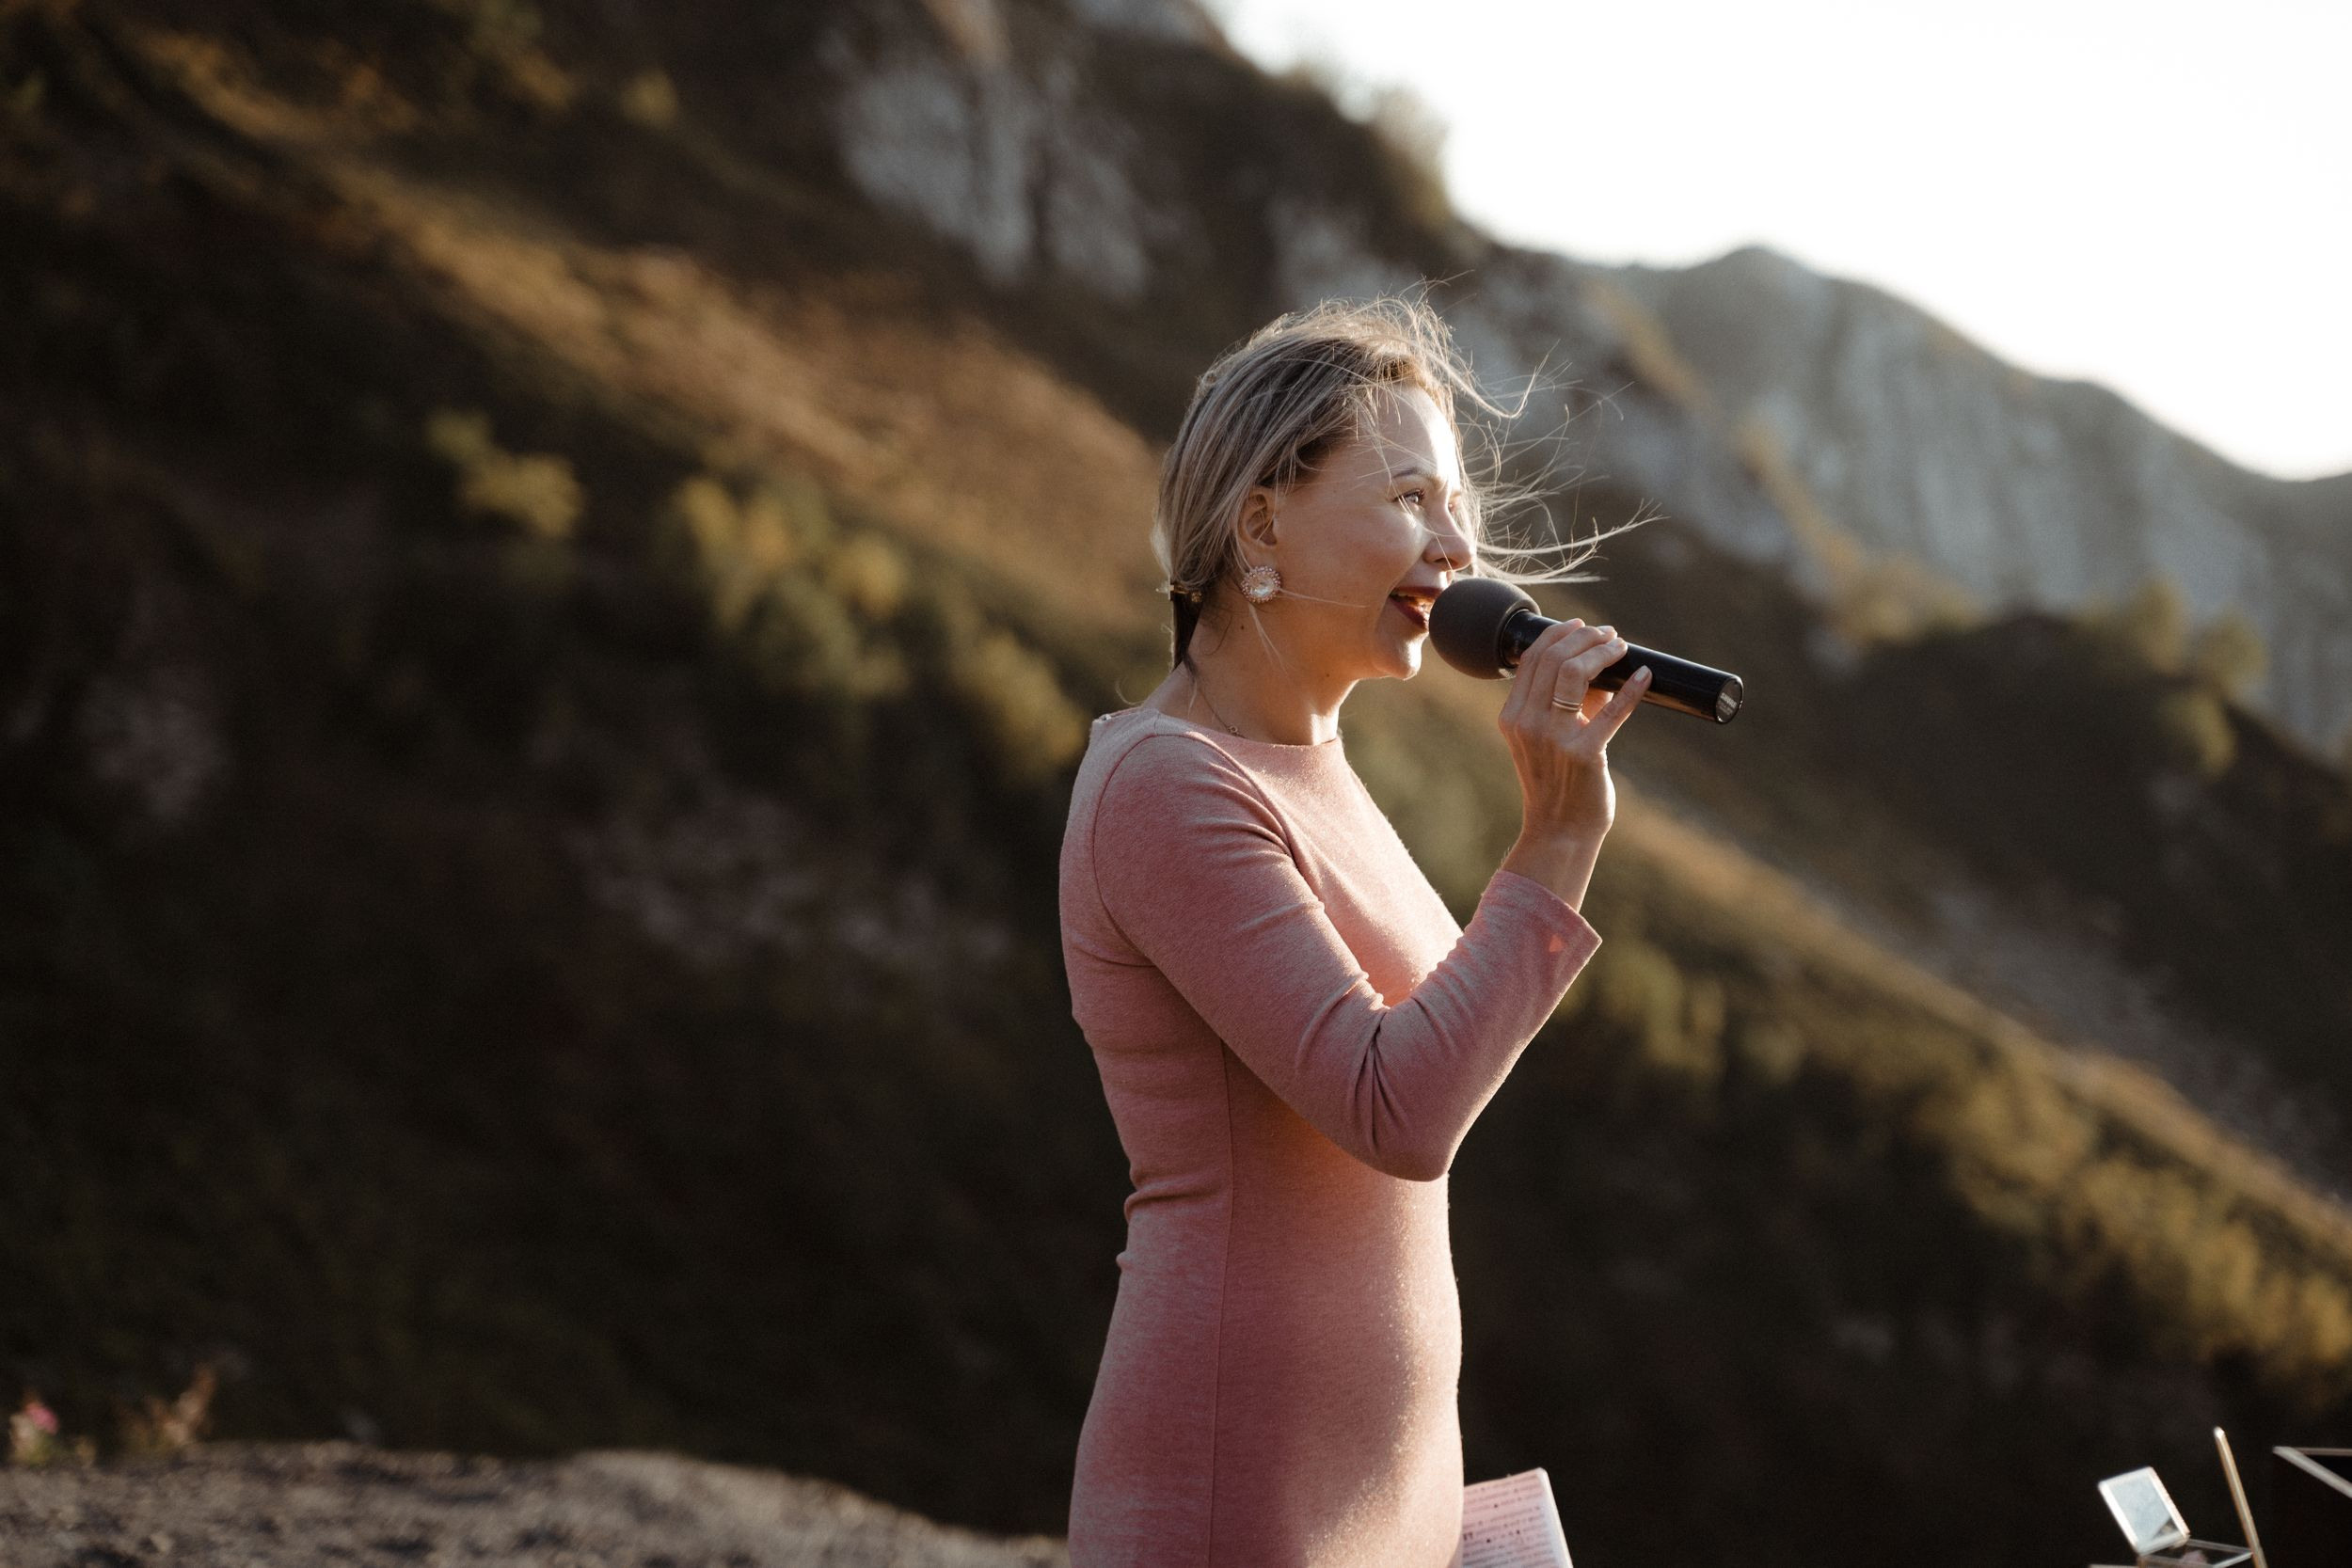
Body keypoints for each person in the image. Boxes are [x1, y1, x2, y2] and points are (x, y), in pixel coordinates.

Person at [1057, 293, 1653, 1567]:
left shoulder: (1307, 763)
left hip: (1384, 1492)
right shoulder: (1167, 782)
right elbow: (1398, 1110)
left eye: (1458, 508)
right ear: (1260, 520)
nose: (1458, 548)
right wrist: (1555, 840)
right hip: (1247, 1499)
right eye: (1409, 500)